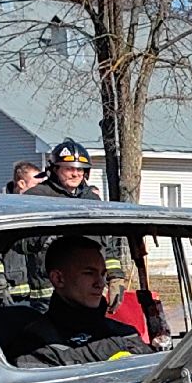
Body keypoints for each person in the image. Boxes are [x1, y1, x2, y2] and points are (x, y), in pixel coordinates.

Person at [12, 140, 128, 306]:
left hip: (86, 292)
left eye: (80, 169)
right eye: (69, 169)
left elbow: (105, 243)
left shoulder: (92, 199)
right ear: (55, 169)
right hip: (49, 295)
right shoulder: (37, 197)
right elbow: (19, 243)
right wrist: (47, 238)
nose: (75, 174)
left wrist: (115, 276)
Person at [12, 235, 153, 368]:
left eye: (103, 274)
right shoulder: (35, 345)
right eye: (89, 273)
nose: (101, 283)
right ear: (58, 279)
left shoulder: (124, 333)